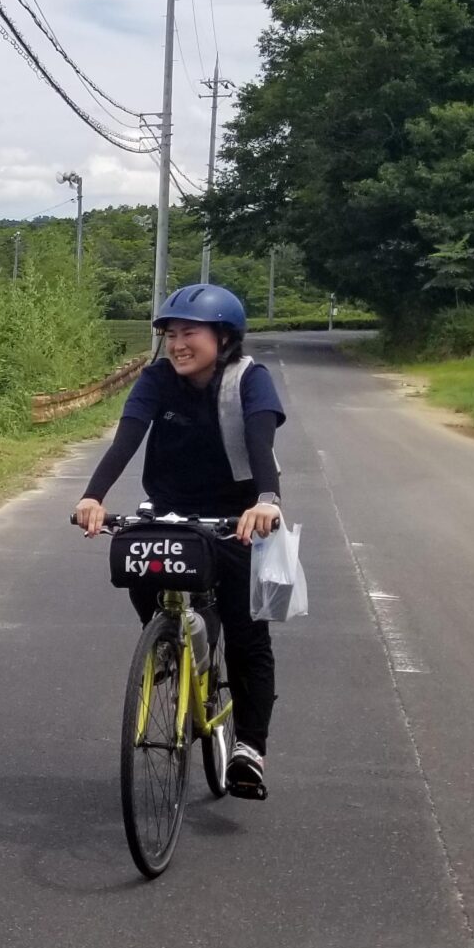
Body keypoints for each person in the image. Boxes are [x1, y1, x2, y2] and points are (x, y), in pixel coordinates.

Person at [72, 283, 287, 799]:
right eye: (170, 334)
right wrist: (93, 496)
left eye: (189, 333)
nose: (176, 344)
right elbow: (127, 437)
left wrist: (267, 500)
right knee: (135, 555)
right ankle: (168, 634)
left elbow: (261, 442)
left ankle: (249, 750)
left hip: (239, 516)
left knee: (247, 632)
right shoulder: (156, 380)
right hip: (170, 510)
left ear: (224, 337)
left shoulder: (249, 380)